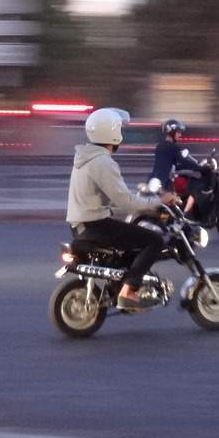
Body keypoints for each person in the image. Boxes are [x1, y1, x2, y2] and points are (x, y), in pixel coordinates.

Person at [68, 107, 179, 311]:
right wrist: (159, 200)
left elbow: (112, 196)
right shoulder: (102, 162)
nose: (121, 133)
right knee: (154, 241)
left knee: (130, 242)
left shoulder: (84, 158)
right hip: (96, 225)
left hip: (81, 224)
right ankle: (128, 291)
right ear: (111, 132)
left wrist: (143, 205)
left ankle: (118, 284)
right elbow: (125, 200)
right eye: (119, 128)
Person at [149, 118, 209, 217]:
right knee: (194, 190)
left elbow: (175, 165)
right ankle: (185, 216)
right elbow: (184, 161)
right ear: (172, 132)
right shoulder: (172, 147)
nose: (180, 135)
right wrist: (202, 168)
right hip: (165, 183)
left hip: (157, 180)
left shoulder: (161, 146)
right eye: (178, 132)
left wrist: (192, 169)